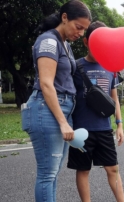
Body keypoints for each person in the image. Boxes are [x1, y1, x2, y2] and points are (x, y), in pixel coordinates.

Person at [21, 1, 91, 201]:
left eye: (84, 30)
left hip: (62, 109)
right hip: (47, 108)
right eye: (78, 27)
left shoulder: (65, 45)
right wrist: (62, 122)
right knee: (47, 174)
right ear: (65, 17)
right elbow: (46, 83)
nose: (80, 33)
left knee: (53, 174)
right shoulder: (49, 41)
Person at [67, 21, 124, 202]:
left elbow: (114, 98)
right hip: (81, 130)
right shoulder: (75, 66)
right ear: (86, 42)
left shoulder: (111, 68)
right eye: (95, 44)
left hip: (103, 128)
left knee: (113, 168)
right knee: (84, 169)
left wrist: (119, 124)